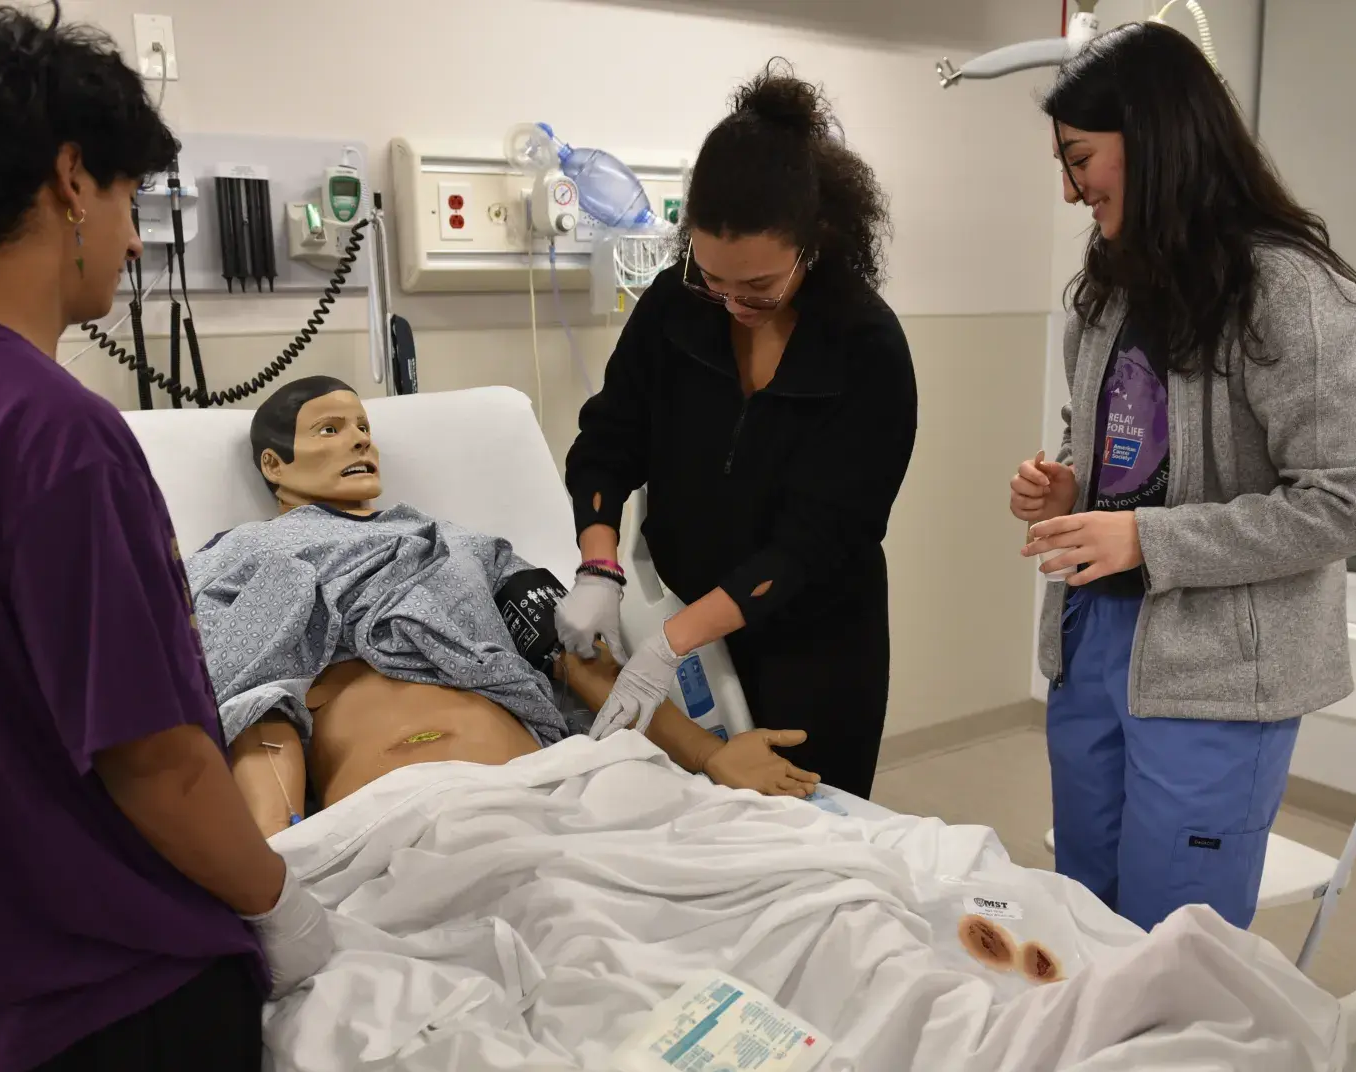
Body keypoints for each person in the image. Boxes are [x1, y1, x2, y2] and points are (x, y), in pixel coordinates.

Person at [0, 5, 330, 1072]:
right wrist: (282, 905)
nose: (137, 237)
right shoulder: (54, 432)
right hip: (126, 992)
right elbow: (160, 766)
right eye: (128, 197)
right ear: (69, 182)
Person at [1012, 22, 1356, 933]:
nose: (1070, 190)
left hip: (1218, 670)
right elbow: (1106, 442)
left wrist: (1146, 538)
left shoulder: (1290, 293)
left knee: (1171, 947)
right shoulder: (1109, 284)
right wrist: (1072, 489)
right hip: (1095, 639)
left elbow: (1346, 505)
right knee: (1081, 920)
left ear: (1155, 138)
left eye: (1082, 159)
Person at [190, 377, 823, 835]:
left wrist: (709, 755)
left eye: (364, 429)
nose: (360, 444)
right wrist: (281, 855)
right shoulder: (244, 561)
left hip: (553, 800)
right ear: (274, 464)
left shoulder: (464, 550)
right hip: (387, 826)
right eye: (330, 430)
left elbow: (581, 663)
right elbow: (249, 699)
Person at [560, 63, 917, 798]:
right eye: (712, 278)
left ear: (815, 242)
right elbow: (608, 440)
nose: (730, 303)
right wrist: (599, 565)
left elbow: (813, 544)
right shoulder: (673, 307)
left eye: (758, 286)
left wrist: (672, 642)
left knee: (807, 829)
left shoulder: (865, 348)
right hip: (682, 619)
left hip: (811, 642)